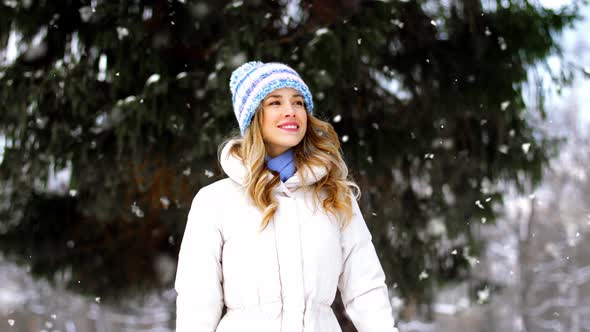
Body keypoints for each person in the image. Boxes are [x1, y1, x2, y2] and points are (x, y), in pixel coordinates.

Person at [174, 61, 399, 332]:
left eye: (299, 103)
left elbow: (366, 288)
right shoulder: (215, 201)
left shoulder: (335, 196)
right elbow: (198, 298)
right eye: (275, 103)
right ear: (253, 117)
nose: (291, 112)